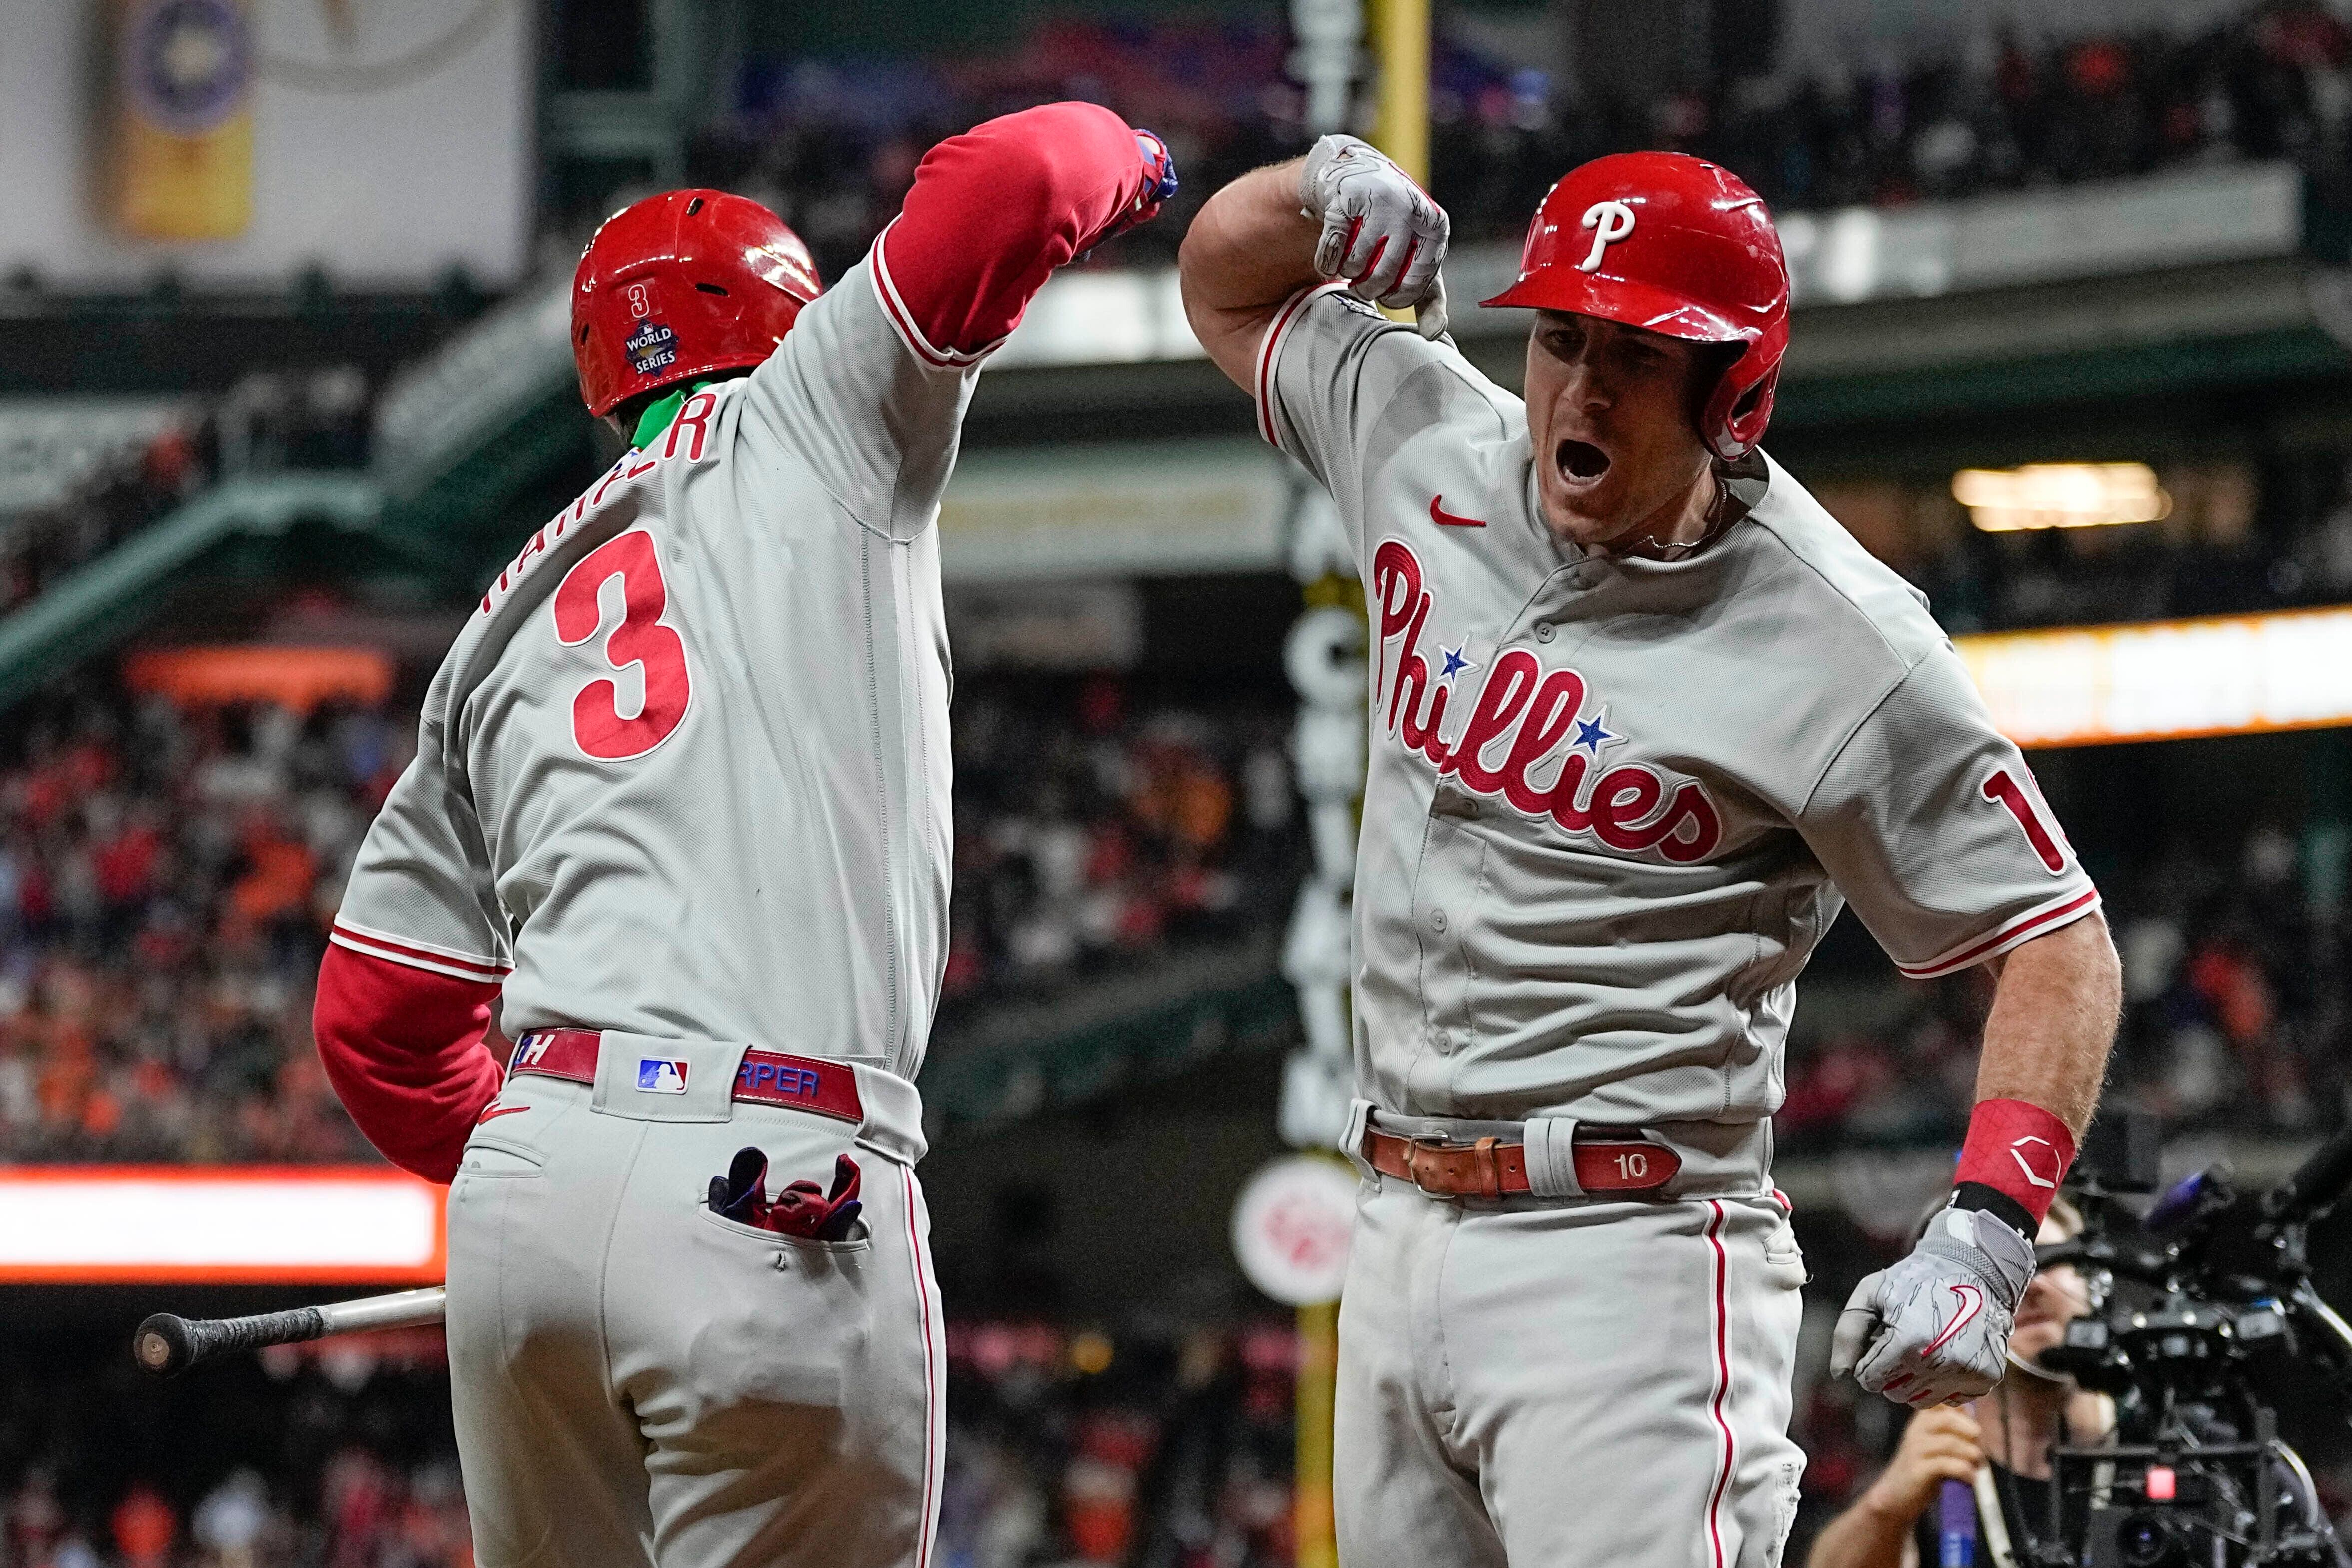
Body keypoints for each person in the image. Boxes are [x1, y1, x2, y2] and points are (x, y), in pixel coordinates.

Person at [1177, 138, 2123, 1568]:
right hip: (1391, 1223)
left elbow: (2054, 937)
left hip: (1624, 1259)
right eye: (1558, 337)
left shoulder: (1843, 641)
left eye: (1633, 353)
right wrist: (1307, 197)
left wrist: (1990, 1223)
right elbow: (1224, 285)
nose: (1579, 388)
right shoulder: (1428, 438)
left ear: (1730, 389)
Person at [309, 108, 1176, 1567]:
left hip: (532, 1183)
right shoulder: (814, 418)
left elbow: (375, 1021)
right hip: (774, 1171)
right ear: (786, 310)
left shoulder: (497, 621)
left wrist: (581, 1173)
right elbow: (1023, 177)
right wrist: (1148, 162)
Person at [1806, 1202, 2105, 1568]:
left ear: (2092, 1284)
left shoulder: (2161, 1423)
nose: (2028, 1287)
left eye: (2050, 1259)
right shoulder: (1929, 1466)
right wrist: (1885, 1508)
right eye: (1992, 1273)